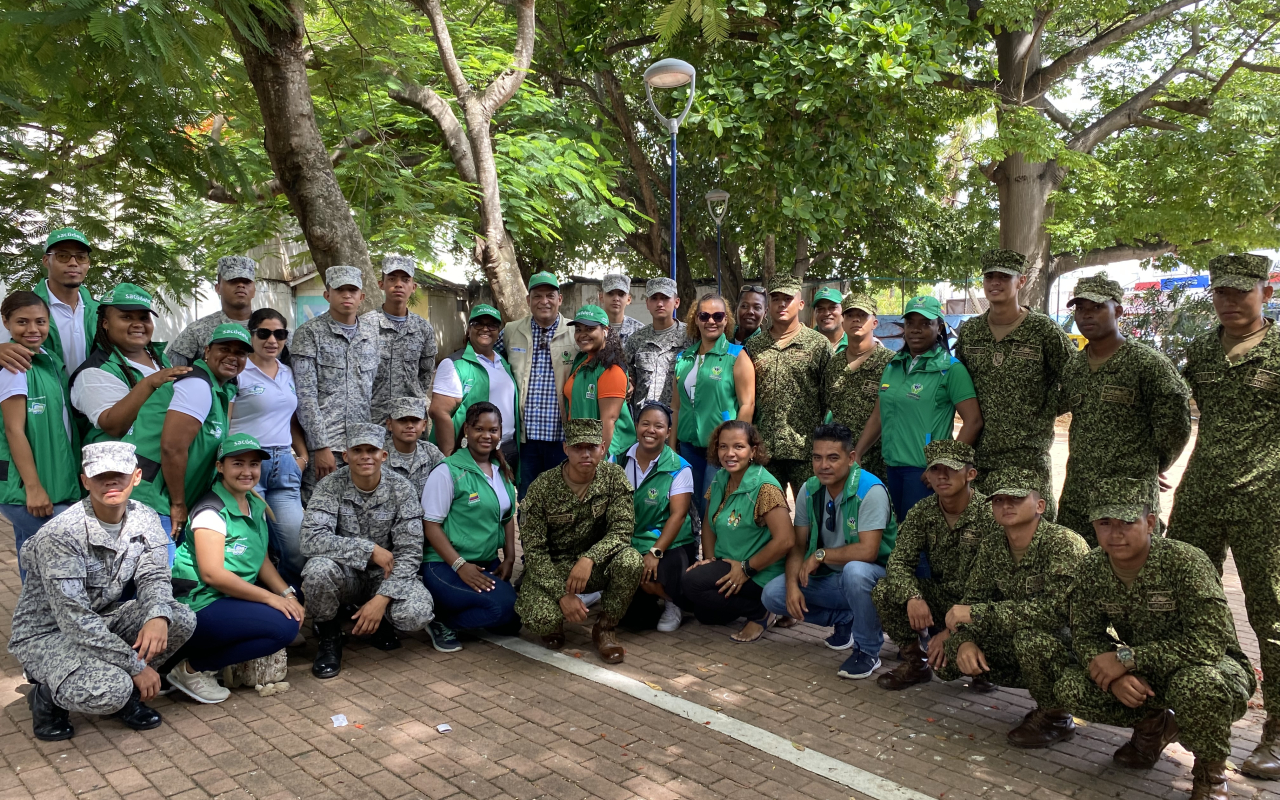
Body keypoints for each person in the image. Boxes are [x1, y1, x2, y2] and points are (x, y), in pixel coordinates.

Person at [1057, 477, 1255, 800]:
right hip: (1146, 672)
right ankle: (1153, 726)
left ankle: (1211, 774)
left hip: (1212, 668)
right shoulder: (1092, 568)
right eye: (1104, 522)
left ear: (1150, 523)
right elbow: (1085, 636)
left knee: (1197, 686)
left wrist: (1126, 659)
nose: (1115, 533)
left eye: (1126, 522)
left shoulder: (1185, 562)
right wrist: (1114, 679)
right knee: (1071, 686)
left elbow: (1209, 642)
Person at [1165, 253, 1280, 778]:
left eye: (1242, 292)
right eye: (1221, 293)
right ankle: (1175, 710)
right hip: (1202, 495)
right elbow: (1179, 414)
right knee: (1178, 600)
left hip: (1266, 502)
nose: (1231, 302)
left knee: (1271, 617)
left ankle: (1275, 734)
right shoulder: (1202, 351)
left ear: (1266, 293)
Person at [8, 442, 196, 741]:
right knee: (112, 688)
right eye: (99, 476)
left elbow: (155, 576)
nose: (110, 482)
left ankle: (128, 695)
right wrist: (135, 665)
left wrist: (157, 615)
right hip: (49, 633)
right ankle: (46, 696)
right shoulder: (61, 534)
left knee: (179, 618)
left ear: (135, 477)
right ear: (85, 481)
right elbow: (75, 621)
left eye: (118, 474)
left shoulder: (144, 518)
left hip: (101, 619)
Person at [942, 468, 1088, 748]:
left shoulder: (1063, 543)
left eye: (1016, 499)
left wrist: (976, 615)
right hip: (1022, 635)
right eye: (998, 500)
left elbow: (1056, 612)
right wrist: (965, 640)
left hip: (1073, 644)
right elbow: (971, 600)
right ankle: (1037, 693)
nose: (1006, 505)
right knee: (952, 652)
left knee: (1030, 640)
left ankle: (1056, 716)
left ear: (1040, 506)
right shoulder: (994, 544)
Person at [166, 434, 303, 704]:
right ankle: (193, 668)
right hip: (201, 603)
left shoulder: (254, 502)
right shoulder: (211, 511)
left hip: (230, 597)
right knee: (283, 628)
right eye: (237, 464)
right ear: (220, 467)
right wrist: (271, 599)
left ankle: (222, 650)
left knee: (297, 599)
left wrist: (286, 594)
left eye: (253, 464)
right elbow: (212, 575)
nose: (247, 471)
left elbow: (259, 560)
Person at [1056, 274, 1191, 543]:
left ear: (1117, 310)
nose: (1086, 316)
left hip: (1128, 498)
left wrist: (1152, 465)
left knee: (1131, 571)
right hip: (1079, 495)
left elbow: (1176, 427)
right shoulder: (1075, 367)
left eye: (1097, 307)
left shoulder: (1147, 364)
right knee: (1076, 569)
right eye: (1081, 309)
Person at [300, 423, 434, 678]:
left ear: (384, 455)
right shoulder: (330, 486)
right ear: (345, 456)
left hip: (383, 577)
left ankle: (379, 620)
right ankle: (329, 635)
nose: (365, 456)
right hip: (345, 574)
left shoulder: (401, 489)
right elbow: (310, 539)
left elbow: (410, 552)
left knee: (416, 614)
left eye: (372, 450)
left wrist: (382, 600)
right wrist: (369, 550)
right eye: (357, 450)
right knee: (317, 570)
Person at [762, 424, 895, 679]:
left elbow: (868, 551)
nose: (824, 465)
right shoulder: (809, 489)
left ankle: (868, 650)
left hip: (876, 578)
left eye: (833, 458)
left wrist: (820, 555)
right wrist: (791, 585)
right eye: (817, 457)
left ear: (851, 458)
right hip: (832, 579)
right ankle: (846, 618)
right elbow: (798, 545)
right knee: (774, 595)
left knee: (855, 572)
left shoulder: (870, 490)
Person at [872, 439, 1002, 691]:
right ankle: (916, 663)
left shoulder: (990, 515)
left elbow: (996, 584)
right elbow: (899, 561)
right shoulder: (923, 511)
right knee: (886, 591)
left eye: (951, 469)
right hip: (942, 597)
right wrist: (913, 597)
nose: (941, 476)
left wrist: (953, 631)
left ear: (970, 474)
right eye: (934, 469)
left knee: (949, 669)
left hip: (979, 606)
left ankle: (984, 667)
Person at [955, 250, 1073, 518]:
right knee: (982, 532)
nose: (995, 282)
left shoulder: (1043, 331)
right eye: (989, 276)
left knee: (1035, 533)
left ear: (1020, 281)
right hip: (981, 458)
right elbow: (959, 385)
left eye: (1004, 277)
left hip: (1027, 458)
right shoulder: (971, 331)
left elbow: (1078, 378)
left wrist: (1045, 407)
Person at [515, 418, 642, 663]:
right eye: (577, 447)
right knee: (540, 620)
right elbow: (534, 551)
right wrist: (562, 594)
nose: (585, 454)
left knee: (630, 561)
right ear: (566, 449)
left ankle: (604, 628)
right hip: (554, 568)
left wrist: (590, 558)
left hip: (593, 566)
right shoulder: (543, 487)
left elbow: (622, 530)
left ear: (603, 448)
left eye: (591, 447)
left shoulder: (614, 477)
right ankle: (555, 622)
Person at [69, 284, 190, 537]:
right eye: (126, 317)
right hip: (122, 490)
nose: (138, 324)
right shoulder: (94, 373)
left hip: (161, 480)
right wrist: (149, 383)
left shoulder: (159, 358)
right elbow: (113, 424)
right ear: (104, 323)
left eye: (143, 317)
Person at [855, 295, 982, 522]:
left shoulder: (950, 370)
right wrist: (858, 453)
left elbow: (973, 422)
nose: (916, 329)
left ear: (939, 327)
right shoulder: (893, 366)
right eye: (910, 323)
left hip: (923, 473)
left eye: (926, 323)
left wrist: (944, 466)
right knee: (896, 536)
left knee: (920, 544)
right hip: (891, 468)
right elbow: (879, 415)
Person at [682, 420, 794, 642]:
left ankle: (762, 611)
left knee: (691, 583)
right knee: (705, 614)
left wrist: (745, 569)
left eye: (738, 447)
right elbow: (708, 522)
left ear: (753, 451)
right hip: (729, 564)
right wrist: (710, 560)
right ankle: (763, 607)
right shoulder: (721, 478)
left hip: (760, 572)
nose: (729, 453)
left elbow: (786, 541)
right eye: (723, 446)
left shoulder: (765, 487)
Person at [421, 402, 519, 652]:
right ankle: (441, 620)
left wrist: (509, 557)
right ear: (466, 430)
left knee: (517, 617)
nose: (487, 436)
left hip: (486, 561)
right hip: (445, 566)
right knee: (502, 608)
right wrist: (460, 566)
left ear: (500, 433)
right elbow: (430, 525)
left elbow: (507, 516)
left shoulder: (501, 469)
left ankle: (464, 606)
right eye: (479, 428)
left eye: (493, 430)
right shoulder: (448, 471)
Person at [0, 292, 80, 581]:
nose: (33, 330)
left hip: (54, 481)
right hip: (26, 489)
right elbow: (14, 430)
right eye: (22, 322)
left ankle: (30, 626)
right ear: (6, 321)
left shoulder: (46, 360)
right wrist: (33, 487)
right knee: (71, 547)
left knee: (31, 560)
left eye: (40, 322)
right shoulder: (14, 367)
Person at [228, 307, 309, 589]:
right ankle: (264, 607)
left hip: (285, 467)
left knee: (297, 547)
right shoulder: (238, 371)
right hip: (248, 466)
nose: (272, 340)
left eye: (280, 334)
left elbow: (292, 420)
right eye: (264, 333)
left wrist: (303, 457)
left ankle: (289, 599)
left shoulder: (288, 373)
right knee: (253, 545)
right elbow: (224, 422)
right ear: (251, 335)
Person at [292, 266, 380, 497]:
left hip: (362, 447)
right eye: (340, 289)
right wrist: (320, 446)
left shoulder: (372, 335)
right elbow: (305, 396)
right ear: (327, 294)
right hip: (326, 448)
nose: (347, 295)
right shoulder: (309, 333)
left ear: (361, 296)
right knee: (320, 512)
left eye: (352, 290)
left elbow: (375, 392)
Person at [160, 323, 251, 539]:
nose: (232, 357)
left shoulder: (221, 389)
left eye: (240, 353)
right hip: (160, 502)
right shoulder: (197, 384)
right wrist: (178, 504)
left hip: (180, 500)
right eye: (225, 349)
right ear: (207, 351)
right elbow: (172, 448)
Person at [745, 275, 832, 496]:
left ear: (800, 304)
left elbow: (829, 397)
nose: (782, 304)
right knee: (765, 515)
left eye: (788, 299)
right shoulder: (755, 346)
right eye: (776, 299)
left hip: (805, 448)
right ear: (769, 305)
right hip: (765, 449)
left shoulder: (818, 344)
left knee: (811, 514)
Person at [613, 402, 695, 633]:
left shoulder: (679, 468)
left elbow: (678, 516)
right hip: (631, 540)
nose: (651, 430)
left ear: (668, 432)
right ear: (636, 426)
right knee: (633, 621)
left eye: (659, 426)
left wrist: (655, 552)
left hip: (670, 543)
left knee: (651, 574)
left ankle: (674, 602)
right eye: (645, 424)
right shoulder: (619, 460)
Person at [671, 292, 755, 508]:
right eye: (704, 316)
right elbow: (676, 406)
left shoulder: (736, 356)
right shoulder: (684, 358)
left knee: (714, 508)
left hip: (720, 448)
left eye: (718, 316)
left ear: (726, 320)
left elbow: (747, 404)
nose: (711, 321)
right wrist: (671, 449)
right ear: (695, 319)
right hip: (689, 447)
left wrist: (735, 445)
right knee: (695, 507)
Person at [505, 271, 578, 497]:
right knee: (528, 500)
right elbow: (487, 357)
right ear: (528, 300)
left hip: (562, 438)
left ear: (560, 299)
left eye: (550, 295)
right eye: (537, 296)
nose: (544, 301)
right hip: (526, 440)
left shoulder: (576, 331)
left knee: (562, 501)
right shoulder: (511, 331)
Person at [0, 227, 99, 375]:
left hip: (91, 396)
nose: (73, 263)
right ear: (46, 261)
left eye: (81, 257)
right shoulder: (23, 309)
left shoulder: (100, 311)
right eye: (63, 256)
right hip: (44, 396)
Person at [429, 303, 519, 465]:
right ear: (469, 330)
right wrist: (450, 456)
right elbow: (439, 412)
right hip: (473, 451)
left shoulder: (502, 361)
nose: (485, 329)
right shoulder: (455, 364)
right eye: (478, 324)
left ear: (499, 332)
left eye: (491, 325)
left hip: (507, 447)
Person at [823, 293, 894, 480]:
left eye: (862, 315)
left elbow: (883, 414)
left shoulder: (890, 362)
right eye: (850, 315)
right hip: (839, 458)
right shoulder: (834, 364)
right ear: (843, 322)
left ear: (874, 323)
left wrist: (858, 453)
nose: (856, 319)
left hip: (879, 460)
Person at [363, 255, 437, 424]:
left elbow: (425, 374)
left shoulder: (422, 328)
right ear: (381, 284)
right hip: (373, 418)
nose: (398, 284)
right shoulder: (365, 326)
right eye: (392, 279)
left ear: (413, 287)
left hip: (410, 420)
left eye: (405, 279)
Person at [564, 305, 635, 457]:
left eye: (589, 329)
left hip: (606, 453)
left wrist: (598, 462)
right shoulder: (581, 361)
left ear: (605, 331)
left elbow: (608, 422)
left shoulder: (611, 368)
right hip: (582, 449)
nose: (583, 334)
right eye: (578, 329)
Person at [166, 256, 257, 368]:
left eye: (246, 282)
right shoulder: (197, 331)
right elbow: (171, 372)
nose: (241, 285)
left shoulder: (273, 330)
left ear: (254, 290)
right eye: (233, 281)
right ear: (218, 288)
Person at [625, 277, 688, 414]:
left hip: (680, 422)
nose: (659, 303)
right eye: (654, 298)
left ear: (676, 302)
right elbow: (629, 379)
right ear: (647, 303)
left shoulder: (691, 336)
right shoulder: (636, 340)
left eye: (665, 298)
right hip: (645, 422)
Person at [384, 396, 444, 497]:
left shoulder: (431, 452)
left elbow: (449, 481)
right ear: (390, 424)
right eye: (402, 420)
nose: (410, 425)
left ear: (424, 425)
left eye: (415, 420)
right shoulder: (378, 454)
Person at [600, 274, 644, 346]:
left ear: (628, 300)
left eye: (621, 294)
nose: (616, 299)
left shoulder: (639, 330)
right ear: (601, 297)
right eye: (610, 294)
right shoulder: (592, 327)